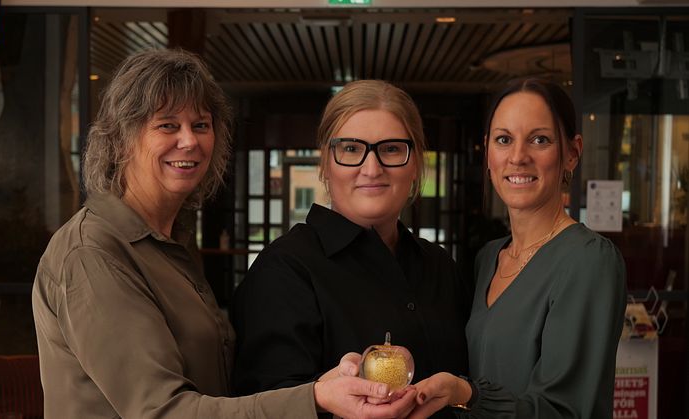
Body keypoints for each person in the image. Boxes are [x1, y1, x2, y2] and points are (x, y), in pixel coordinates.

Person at [31, 48, 417, 419]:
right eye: (167, 125)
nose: (190, 140)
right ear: (120, 138)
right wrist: (314, 397)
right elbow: (164, 412)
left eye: (201, 125)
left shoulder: (171, 242)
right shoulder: (92, 252)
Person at [232, 80, 471, 418]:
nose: (371, 168)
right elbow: (262, 406)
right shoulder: (284, 269)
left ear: (415, 161)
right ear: (325, 164)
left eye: (390, 149)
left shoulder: (440, 265)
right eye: (350, 149)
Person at [405, 78, 628, 418]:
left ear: (572, 153)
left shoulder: (588, 261)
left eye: (540, 139)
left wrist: (468, 394)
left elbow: (566, 411)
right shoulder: (489, 257)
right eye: (504, 140)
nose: (518, 157)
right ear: (488, 154)